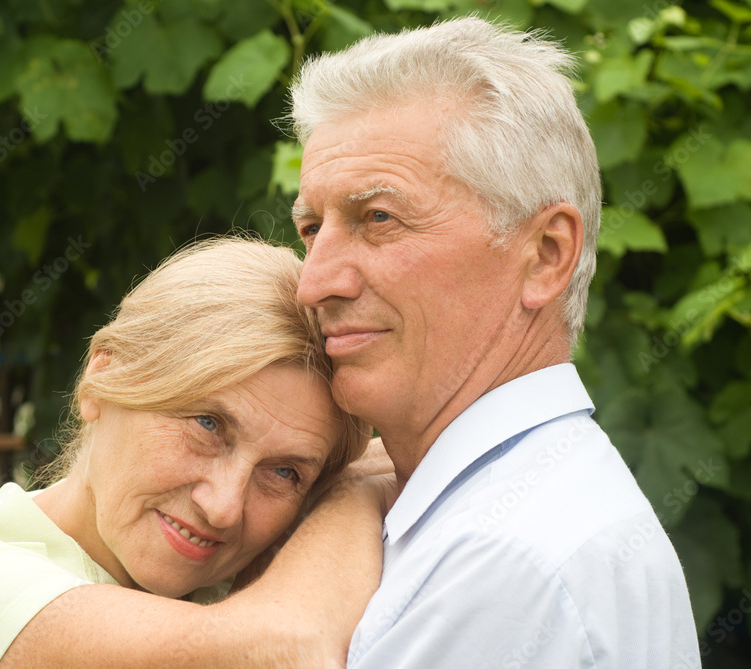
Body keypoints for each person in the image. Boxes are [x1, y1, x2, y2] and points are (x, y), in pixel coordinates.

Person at [288, 17, 700, 668]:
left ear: (546, 255)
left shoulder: (502, 561)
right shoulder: (514, 510)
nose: (313, 283)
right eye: (312, 228)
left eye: (379, 218)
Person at [0, 237, 391, 668]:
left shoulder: (242, 593)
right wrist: (356, 490)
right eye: (207, 425)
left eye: (285, 473)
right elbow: (288, 649)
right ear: (102, 378)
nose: (224, 507)